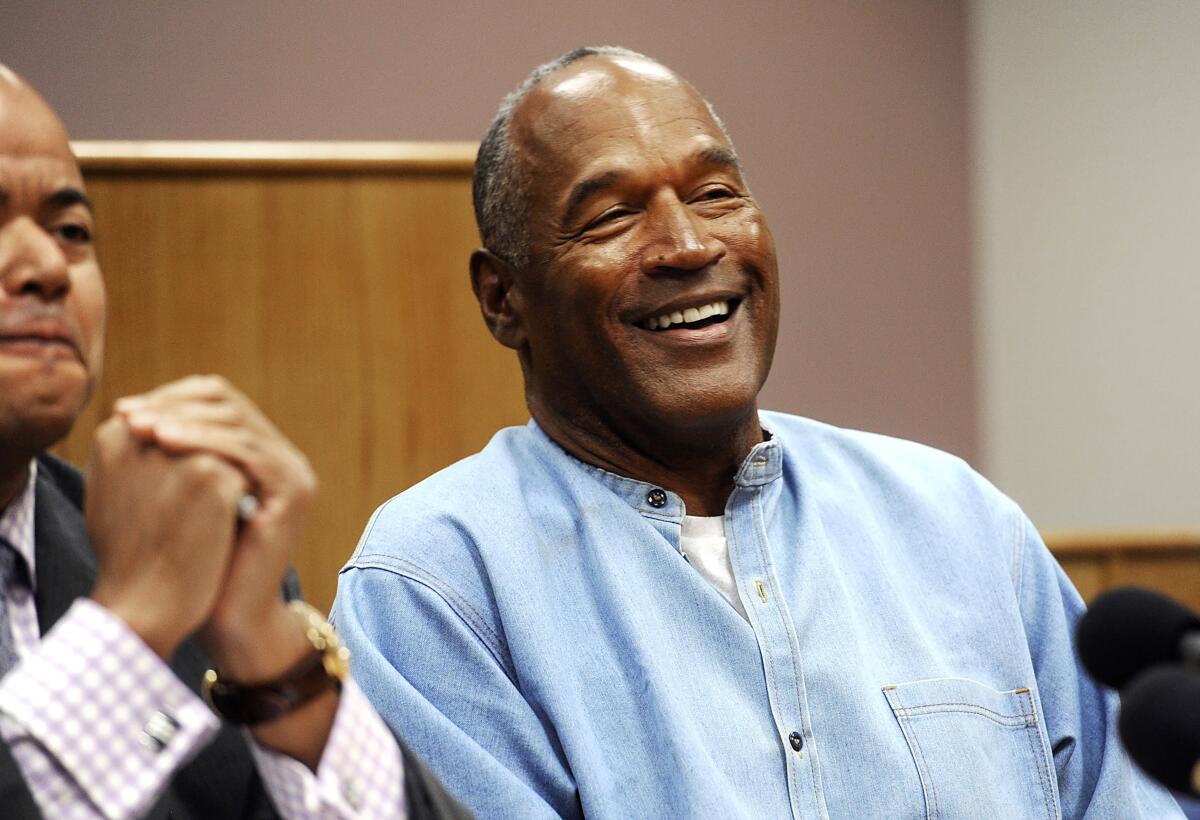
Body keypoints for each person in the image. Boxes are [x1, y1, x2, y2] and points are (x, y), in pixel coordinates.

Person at [332, 46, 1181, 818]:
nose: (688, 244)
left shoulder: (960, 524)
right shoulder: (437, 583)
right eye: (611, 217)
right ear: (502, 299)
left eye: (715, 194)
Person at [0, 66, 466, 818]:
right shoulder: (148, 587)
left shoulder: (180, 560)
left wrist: (273, 668)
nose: (49, 268)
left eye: (71, 232)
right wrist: (128, 631)